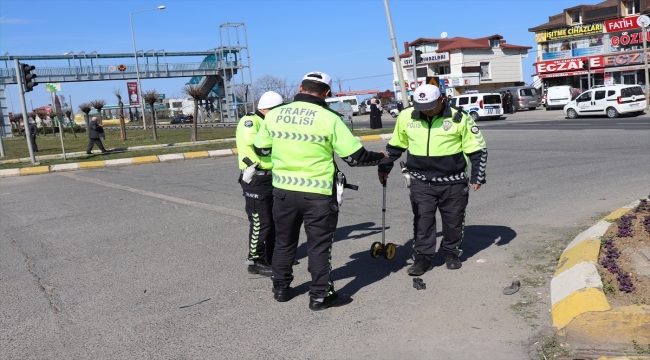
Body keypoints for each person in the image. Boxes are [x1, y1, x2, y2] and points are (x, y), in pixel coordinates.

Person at [254, 71, 387, 311]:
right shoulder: (329, 118)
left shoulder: (275, 115)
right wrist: (382, 157)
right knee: (318, 246)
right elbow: (355, 158)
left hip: (283, 191)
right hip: (318, 194)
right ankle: (319, 296)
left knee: (284, 242)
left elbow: (261, 150)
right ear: (327, 93)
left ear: (300, 88)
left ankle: (281, 289)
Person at [378, 84, 487, 275]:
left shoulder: (459, 117)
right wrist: (384, 166)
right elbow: (396, 145)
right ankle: (422, 258)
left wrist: (478, 175)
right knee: (423, 221)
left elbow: (477, 148)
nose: (426, 111)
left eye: (430, 106)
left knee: (453, 221)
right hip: (421, 180)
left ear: (441, 99)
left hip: (453, 181)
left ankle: (451, 252)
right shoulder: (407, 115)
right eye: (421, 107)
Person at [236, 91, 285, 277]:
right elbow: (254, 142)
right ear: (265, 109)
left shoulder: (269, 121)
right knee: (260, 220)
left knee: (274, 220)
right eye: (276, 110)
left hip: (273, 176)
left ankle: (271, 256)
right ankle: (255, 260)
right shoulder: (250, 121)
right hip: (256, 177)